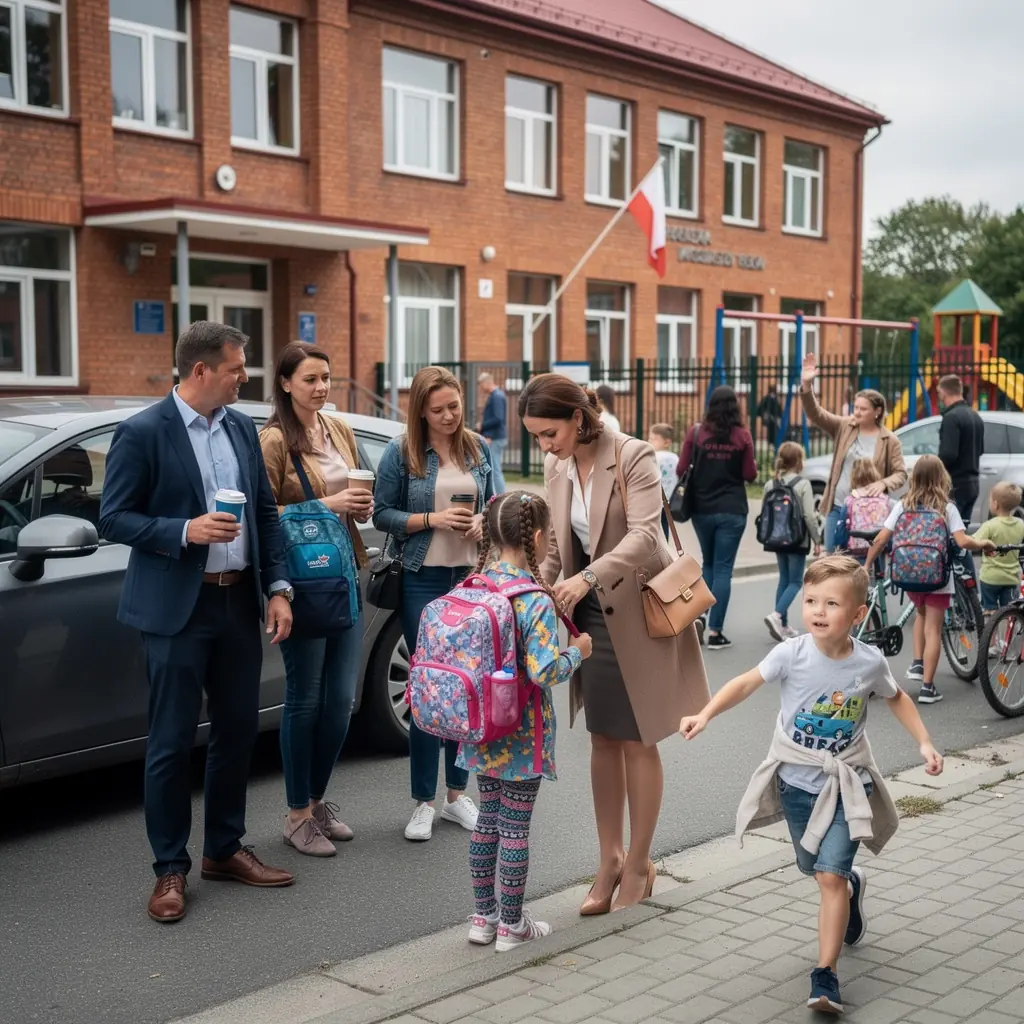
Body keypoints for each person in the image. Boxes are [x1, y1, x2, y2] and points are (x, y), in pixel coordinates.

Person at [681, 555, 944, 1016]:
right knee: (812, 867)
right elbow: (745, 683)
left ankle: (826, 974)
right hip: (796, 784)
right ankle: (851, 887)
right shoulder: (792, 653)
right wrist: (704, 714)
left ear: (859, 614)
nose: (819, 611)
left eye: (832, 603)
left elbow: (898, 698)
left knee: (828, 875)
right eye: (811, 601)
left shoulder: (868, 663)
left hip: (847, 783)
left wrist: (924, 743)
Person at [98, 321, 295, 924]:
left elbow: (265, 513)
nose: (245, 377)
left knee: (238, 732)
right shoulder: (142, 432)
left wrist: (279, 588)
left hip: (238, 602)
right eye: (237, 368)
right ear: (201, 370)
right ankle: (169, 870)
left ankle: (224, 849)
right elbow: (114, 517)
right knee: (170, 742)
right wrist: (184, 531)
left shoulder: (241, 428)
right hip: (176, 610)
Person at [519, 373, 710, 913]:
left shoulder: (633, 454)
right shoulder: (558, 468)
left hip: (638, 611)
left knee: (639, 738)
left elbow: (646, 535)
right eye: (535, 437)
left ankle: (641, 862)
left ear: (578, 418)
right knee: (603, 737)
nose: (544, 447)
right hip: (588, 619)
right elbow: (555, 549)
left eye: (548, 433)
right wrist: (531, 591)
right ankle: (609, 858)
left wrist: (588, 577)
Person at [460, 492, 593, 951]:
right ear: (536, 537)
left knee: (487, 820)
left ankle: (483, 918)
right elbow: (544, 670)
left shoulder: (474, 583)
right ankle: (512, 926)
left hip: (479, 726)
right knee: (515, 827)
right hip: (520, 729)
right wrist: (578, 651)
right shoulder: (533, 597)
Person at [259, 342, 374, 857]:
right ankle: (296, 814)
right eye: (310, 379)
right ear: (286, 383)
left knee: (341, 702)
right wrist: (328, 503)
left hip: (346, 573)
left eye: (326, 377)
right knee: (304, 698)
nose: (321, 388)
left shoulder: (340, 430)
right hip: (302, 580)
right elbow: (262, 518)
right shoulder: (273, 440)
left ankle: (318, 800)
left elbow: (362, 505)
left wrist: (363, 505)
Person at [374, 366, 495, 841]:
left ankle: (456, 797)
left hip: (470, 578)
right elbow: (382, 513)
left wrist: (484, 521)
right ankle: (423, 802)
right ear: (421, 410)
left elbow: (498, 502)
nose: (449, 416)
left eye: (455, 406)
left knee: (464, 688)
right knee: (428, 687)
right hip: (421, 578)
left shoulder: (478, 448)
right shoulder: (400, 453)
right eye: (439, 409)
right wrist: (433, 518)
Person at [865, 456, 995, 704]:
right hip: (937, 576)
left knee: (922, 617)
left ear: (914, 478)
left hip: (908, 573)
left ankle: (917, 663)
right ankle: (927, 688)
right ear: (941, 477)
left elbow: (881, 538)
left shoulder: (903, 505)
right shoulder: (946, 508)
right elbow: (962, 542)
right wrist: (983, 543)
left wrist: (868, 564)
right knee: (933, 628)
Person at [677, 385, 757, 650]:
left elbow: (681, 468)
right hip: (733, 509)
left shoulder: (697, 433)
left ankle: (700, 615)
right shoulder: (742, 435)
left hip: (702, 509)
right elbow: (750, 474)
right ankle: (715, 632)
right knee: (723, 569)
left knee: (708, 564)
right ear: (735, 407)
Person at [800, 353, 906, 553]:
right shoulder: (844, 426)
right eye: (856, 407)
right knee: (833, 558)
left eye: (863, 409)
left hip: (870, 511)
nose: (856, 412)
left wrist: (882, 483)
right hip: (838, 507)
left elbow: (901, 474)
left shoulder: (889, 440)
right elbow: (816, 414)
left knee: (863, 561)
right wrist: (807, 386)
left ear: (877, 411)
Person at [762, 442, 821, 642]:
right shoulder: (803, 484)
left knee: (784, 579)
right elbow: (809, 516)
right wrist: (817, 540)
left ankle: (784, 626)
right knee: (795, 582)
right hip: (797, 539)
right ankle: (777, 615)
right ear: (799, 461)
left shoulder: (771, 484)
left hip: (776, 538)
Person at [973, 482, 1024, 652]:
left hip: (990, 578)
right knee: (1007, 611)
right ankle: (1005, 642)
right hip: (1011, 578)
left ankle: (992, 644)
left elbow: (974, 542)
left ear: (995, 504)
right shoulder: (1020, 525)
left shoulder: (990, 525)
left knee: (989, 611)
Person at [937, 374, 985, 526]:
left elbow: (948, 454)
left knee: (950, 534)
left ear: (943, 393)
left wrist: (934, 467)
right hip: (972, 485)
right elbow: (980, 450)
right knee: (962, 532)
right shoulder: (975, 415)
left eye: (939, 393)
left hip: (954, 485)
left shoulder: (951, 417)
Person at [841, 459, 892, 564]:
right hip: (880, 546)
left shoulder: (850, 500)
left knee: (859, 574)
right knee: (881, 573)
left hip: (856, 547)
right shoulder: (885, 499)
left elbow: (842, 527)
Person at [478, 372, 508, 495]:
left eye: (480, 385)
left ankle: (501, 496)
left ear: (487, 383)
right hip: (495, 436)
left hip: (495, 437)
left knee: (495, 469)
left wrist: (483, 427)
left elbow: (498, 418)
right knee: (494, 468)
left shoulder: (496, 396)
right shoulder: (496, 395)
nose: (480, 388)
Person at [648, 422, 678, 539]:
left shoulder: (652, 456)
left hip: (653, 501)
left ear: (667, 442)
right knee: (665, 527)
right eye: (650, 438)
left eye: (654, 439)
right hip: (669, 501)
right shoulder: (675, 458)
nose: (650, 441)